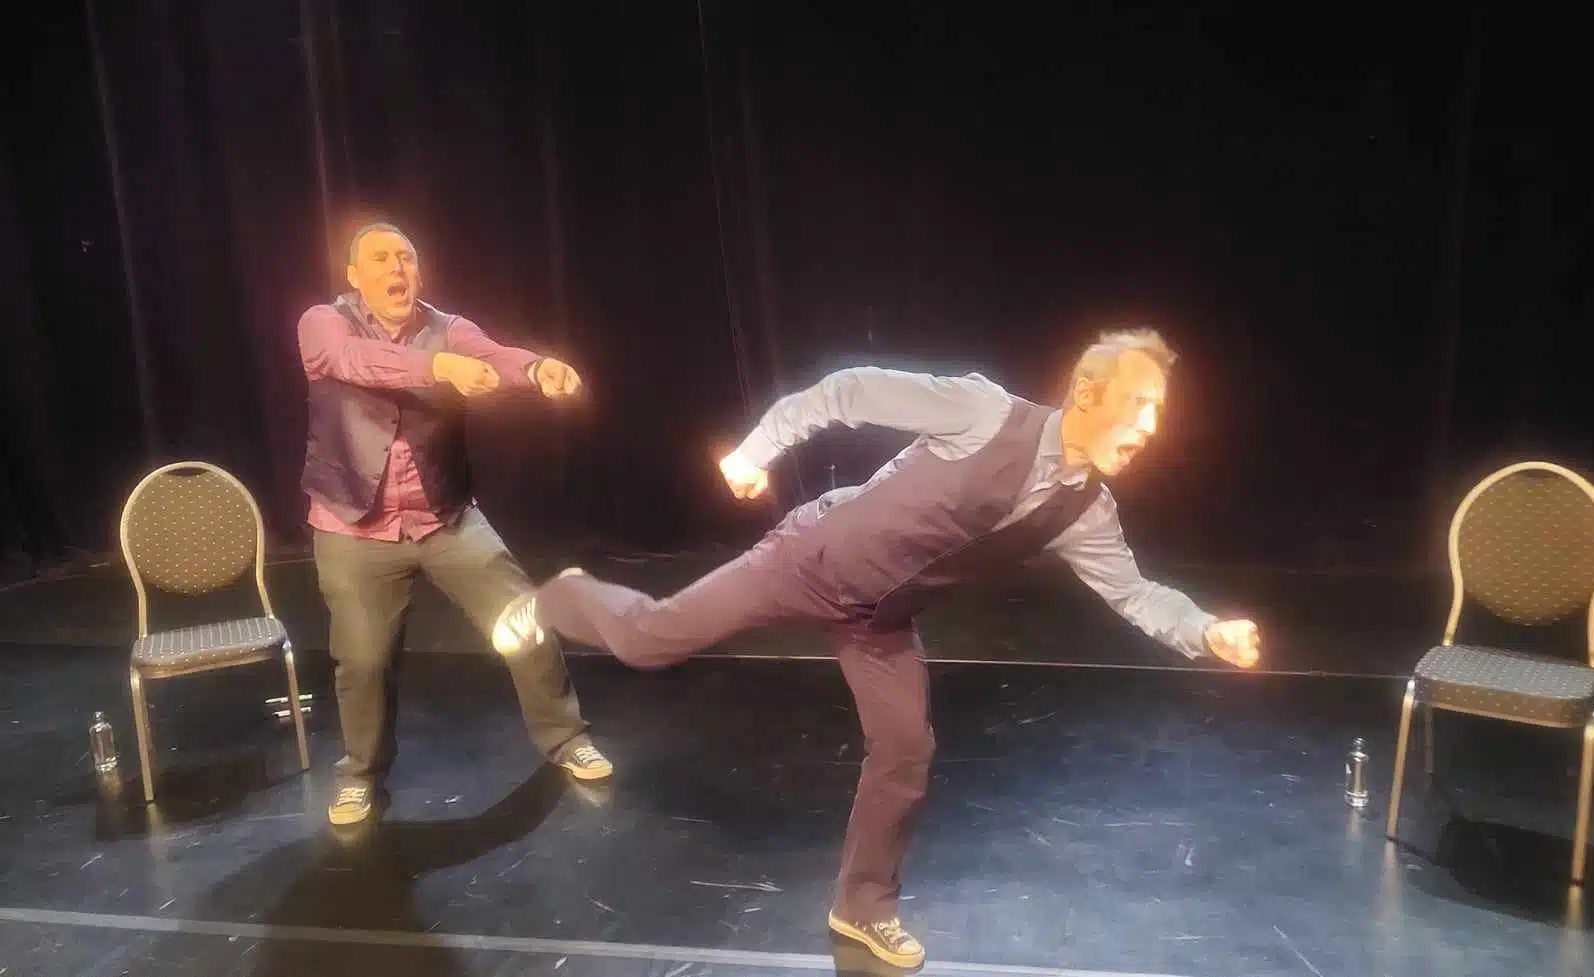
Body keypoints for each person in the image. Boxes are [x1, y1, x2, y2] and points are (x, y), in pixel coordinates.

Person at [490, 327, 1260, 968]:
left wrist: (1205, 629)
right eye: (1139, 404)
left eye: (1159, 412)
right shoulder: (985, 411)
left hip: (881, 617)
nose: (1151, 426)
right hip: (808, 559)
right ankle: (557, 597)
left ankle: (862, 905)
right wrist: (757, 450)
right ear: (1087, 394)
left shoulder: (1085, 510)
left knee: (906, 748)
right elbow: (850, 391)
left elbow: (1135, 592)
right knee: (649, 639)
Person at [299, 221, 613, 827]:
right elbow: (354, 360)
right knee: (363, 662)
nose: (396, 268)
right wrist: (440, 367)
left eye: (406, 258)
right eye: (380, 259)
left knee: (524, 621)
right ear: (354, 276)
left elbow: (494, 355)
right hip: (353, 526)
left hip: (443, 517)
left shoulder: (449, 328)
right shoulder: (323, 324)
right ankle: (360, 774)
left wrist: (538, 368)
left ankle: (567, 737)